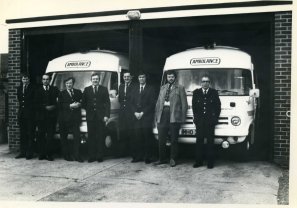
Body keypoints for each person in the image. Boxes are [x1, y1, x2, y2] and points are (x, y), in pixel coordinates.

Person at [154, 71, 188, 167]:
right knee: (161, 139)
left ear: (175, 78)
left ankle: (173, 159)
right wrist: (157, 118)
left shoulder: (180, 88)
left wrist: (182, 119)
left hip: (174, 116)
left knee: (174, 139)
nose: (170, 78)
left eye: (172, 77)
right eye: (169, 77)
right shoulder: (163, 88)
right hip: (162, 115)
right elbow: (158, 103)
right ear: (167, 78)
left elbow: (184, 105)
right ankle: (162, 159)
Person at [192, 75, 221, 169]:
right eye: (203, 81)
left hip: (210, 122)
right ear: (201, 83)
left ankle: (210, 163)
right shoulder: (196, 92)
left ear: (209, 83)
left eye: (207, 81)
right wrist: (196, 119)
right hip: (199, 122)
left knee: (210, 142)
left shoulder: (214, 92)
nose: (205, 83)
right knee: (199, 142)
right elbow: (194, 108)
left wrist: (214, 118)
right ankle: (198, 162)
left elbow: (218, 107)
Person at [82, 73, 110, 163]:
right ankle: (91, 156)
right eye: (93, 79)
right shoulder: (87, 89)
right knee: (91, 137)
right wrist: (89, 110)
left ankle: (99, 156)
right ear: (91, 80)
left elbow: (107, 103)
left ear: (99, 80)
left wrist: (106, 115)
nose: (95, 80)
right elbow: (83, 103)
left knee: (100, 136)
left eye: (97, 79)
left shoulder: (104, 89)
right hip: (90, 117)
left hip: (100, 117)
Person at [130, 72, 156, 164]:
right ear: (138, 78)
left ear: (146, 78)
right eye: (140, 77)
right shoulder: (134, 89)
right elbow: (131, 103)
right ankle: (138, 156)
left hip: (146, 117)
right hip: (136, 117)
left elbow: (152, 103)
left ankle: (148, 157)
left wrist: (143, 112)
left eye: (143, 77)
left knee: (147, 137)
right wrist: (135, 112)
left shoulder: (151, 88)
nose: (141, 79)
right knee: (137, 137)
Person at [34, 74, 59, 161]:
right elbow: (35, 104)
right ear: (42, 80)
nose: (45, 81)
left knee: (50, 136)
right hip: (41, 117)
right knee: (41, 136)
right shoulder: (38, 90)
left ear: (50, 80)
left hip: (51, 117)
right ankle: (42, 154)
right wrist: (45, 107)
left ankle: (49, 154)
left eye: (47, 79)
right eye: (44, 79)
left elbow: (58, 101)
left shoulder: (54, 89)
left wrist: (54, 106)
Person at [58, 77, 83, 162]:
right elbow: (60, 105)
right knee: (64, 138)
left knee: (77, 137)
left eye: (70, 83)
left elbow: (83, 101)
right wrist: (70, 106)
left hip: (75, 119)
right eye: (67, 83)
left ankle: (77, 155)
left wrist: (79, 104)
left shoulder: (78, 92)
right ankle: (66, 155)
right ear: (65, 84)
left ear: (73, 84)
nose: (69, 85)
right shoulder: (61, 93)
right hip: (64, 119)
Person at [15, 73, 35, 159]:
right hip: (22, 114)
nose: (25, 81)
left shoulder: (33, 88)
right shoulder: (19, 88)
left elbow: (33, 102)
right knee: (22, 134)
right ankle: (22, 152)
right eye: (23, 79)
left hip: (30, 114)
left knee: (30, 134)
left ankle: (29, 153)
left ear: (29, 80)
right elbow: (20, 101)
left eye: (26, 79)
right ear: (21, 80)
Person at [118, 72, 135, 157]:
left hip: (131, 112)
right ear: (123, 77)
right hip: (122, 113)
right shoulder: (121, 86)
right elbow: (120, 100)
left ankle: (132, 153)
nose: (126, 78)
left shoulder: (134, 86)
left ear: (131, 77)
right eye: (125, 77)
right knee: (122, 132)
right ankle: (122, 152)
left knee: (131, 132)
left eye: (128, 76)